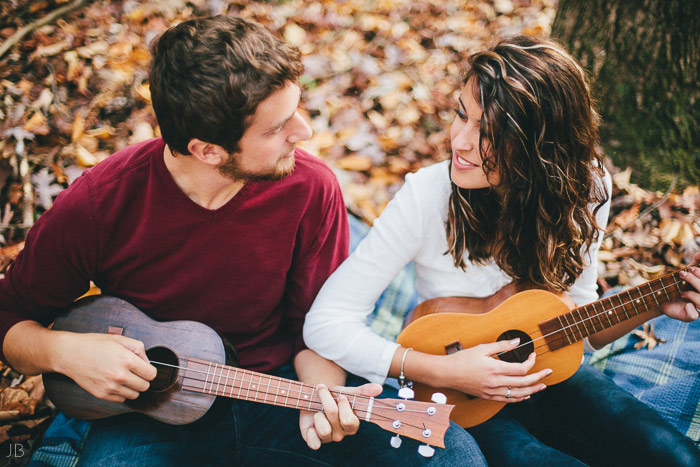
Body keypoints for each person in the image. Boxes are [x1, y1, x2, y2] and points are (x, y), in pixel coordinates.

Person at [0, 15, 485, 466]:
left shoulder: (310, 188)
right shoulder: (101, 202)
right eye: (277, 128)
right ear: (207, 150)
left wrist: (321, 401)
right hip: (147, 413)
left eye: (297, 111)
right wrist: (67, 353)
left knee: (454, 454)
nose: (305, 131)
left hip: (281, 386)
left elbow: (320, 326)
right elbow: (10, 321)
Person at [304, 35, 700, 466]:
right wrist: (443, 371)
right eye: (461, 114)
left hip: (543, 372)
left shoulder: (587, 188)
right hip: (456, 389)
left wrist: (657, 302)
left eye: (488, 133)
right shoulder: (425, 196)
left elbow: (579, 326)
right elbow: (326, 324)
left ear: (541, 146)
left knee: (672, 453)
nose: (460, 141)